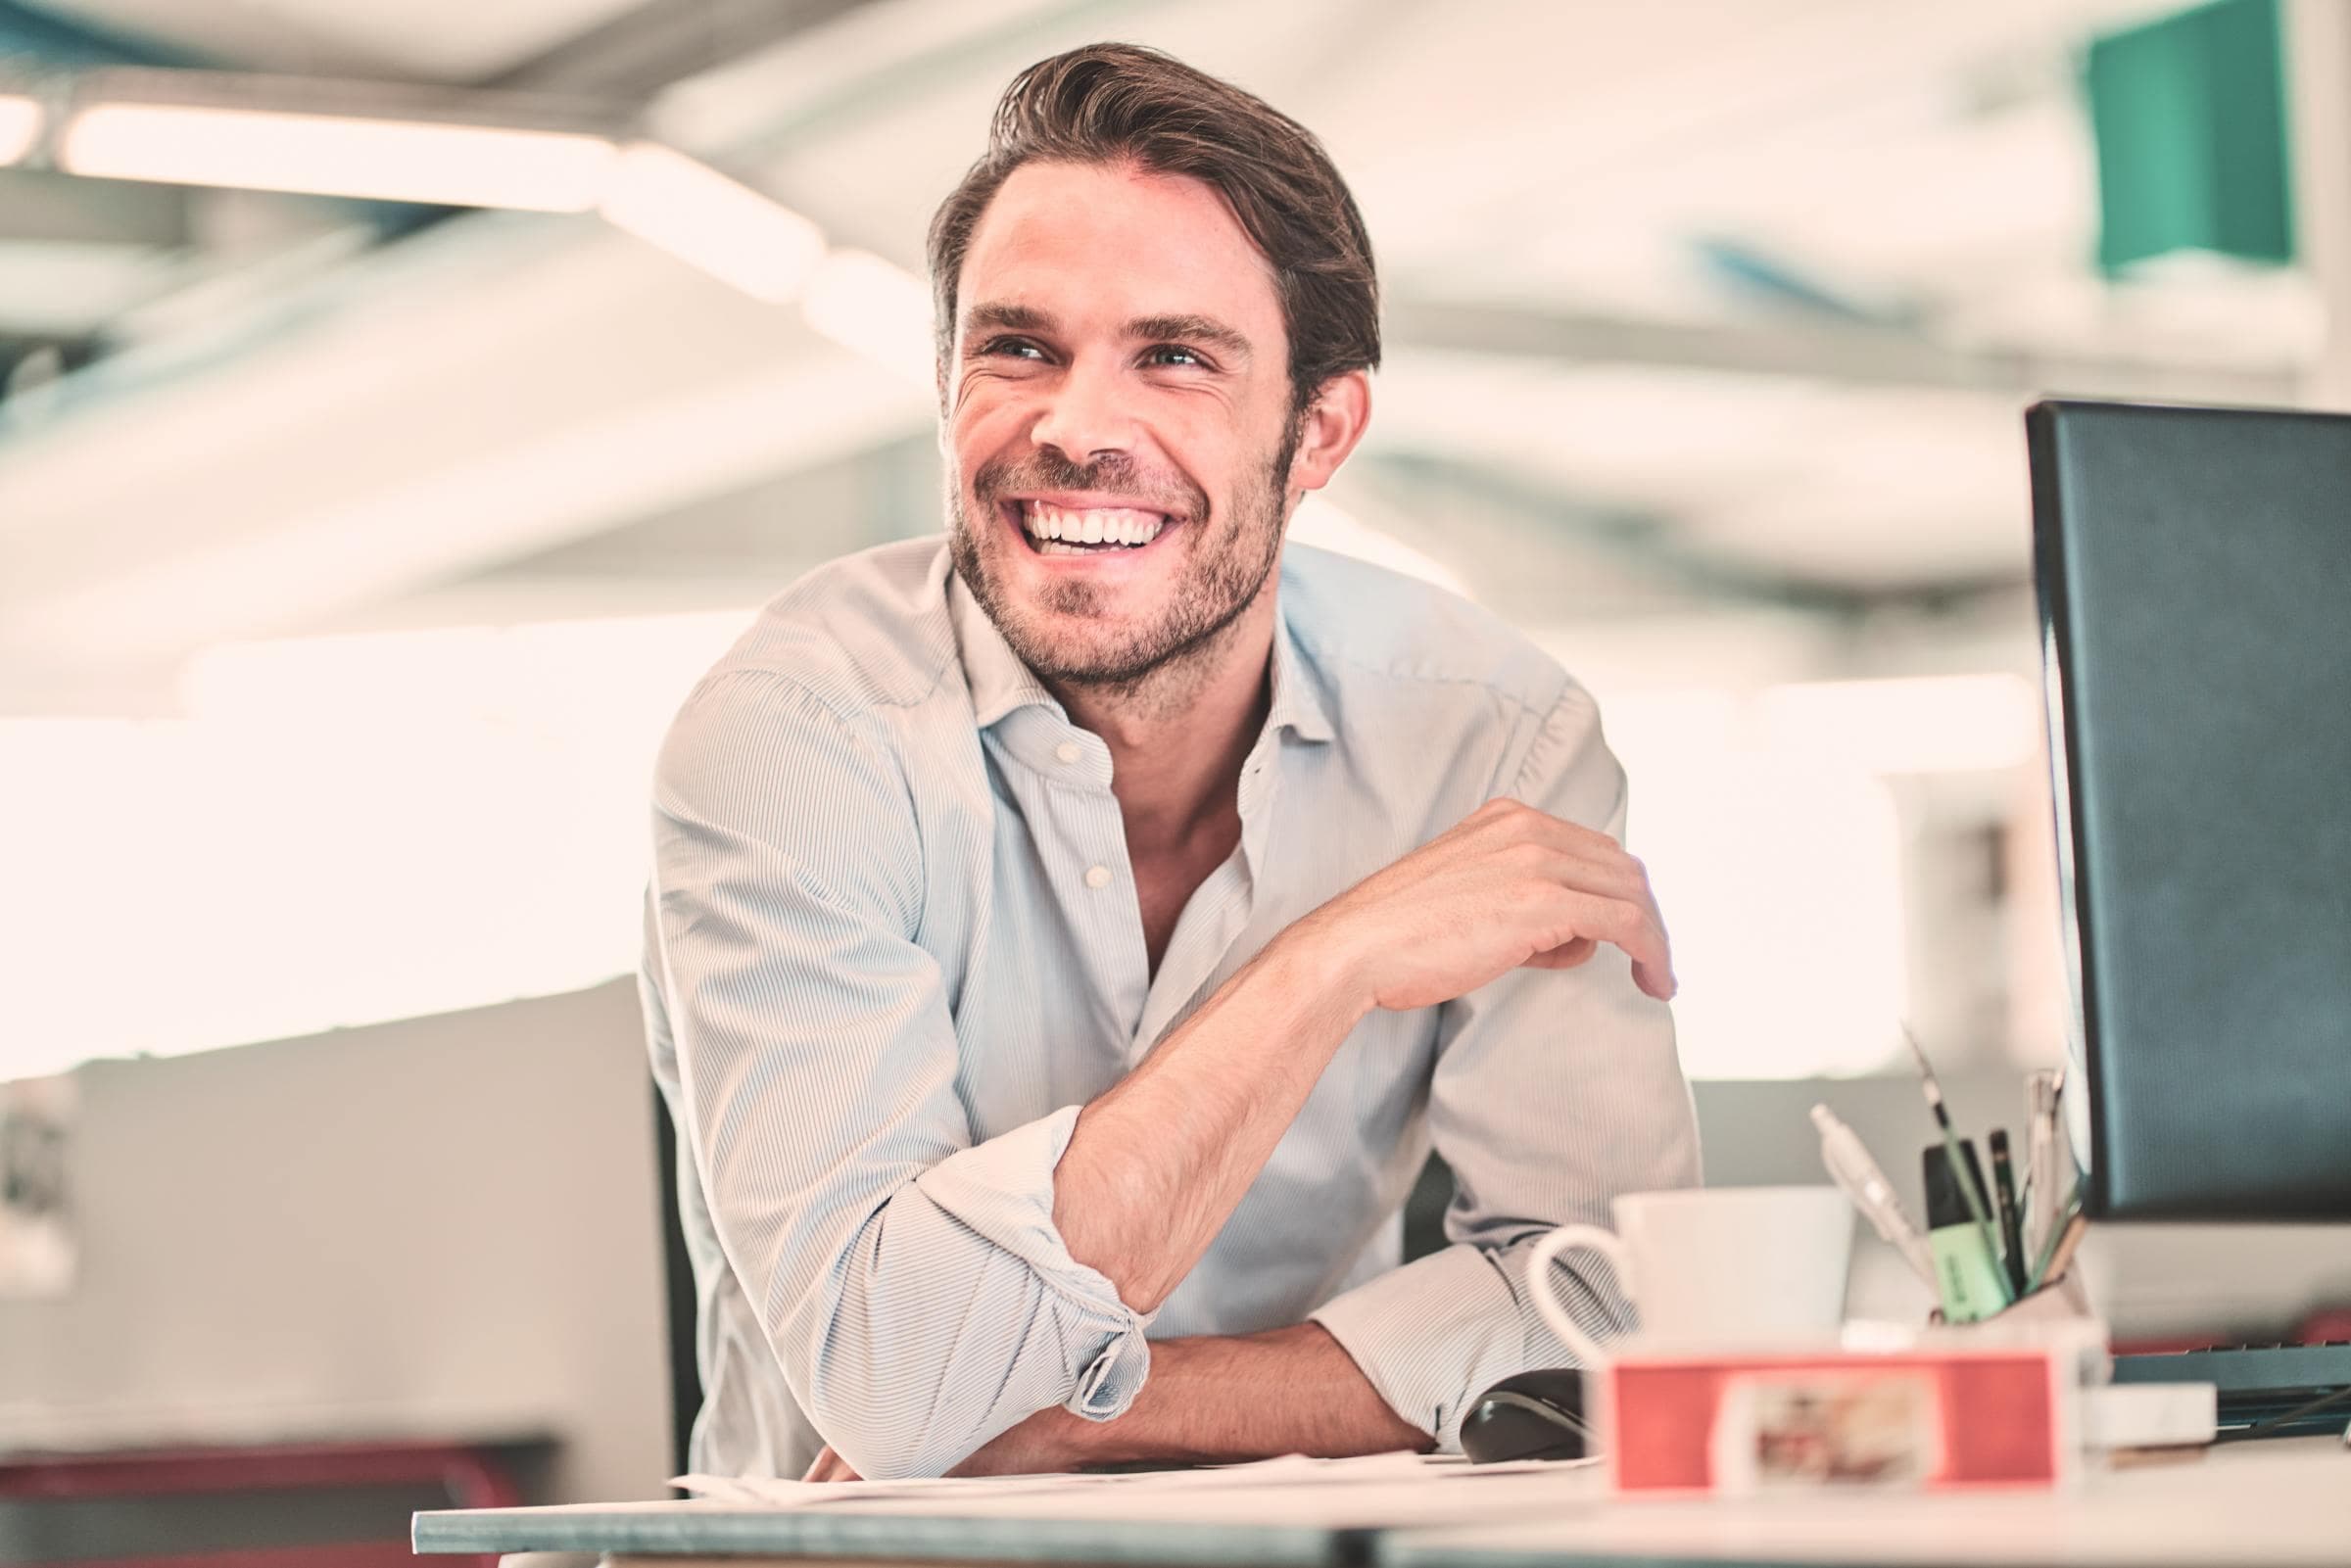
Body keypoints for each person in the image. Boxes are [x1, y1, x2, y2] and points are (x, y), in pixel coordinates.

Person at [640, 41, 1699, 1485]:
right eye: (1018, 348)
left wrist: (1096, 1407)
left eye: (1176, 357)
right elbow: (894, 1383)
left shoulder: (1492, 740)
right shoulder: (794, 737)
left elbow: (1603, 1313)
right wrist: (1332, 963)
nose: (1075, 429)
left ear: (1319, 428)